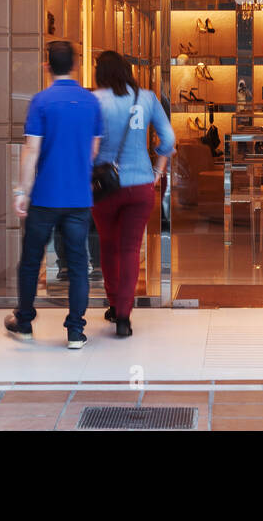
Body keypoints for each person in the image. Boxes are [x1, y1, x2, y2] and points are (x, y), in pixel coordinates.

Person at [6, 41, 102, 349]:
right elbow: (94, 149)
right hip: (78, 198)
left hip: (45, 197)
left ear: (46, 66)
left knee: (31, 261)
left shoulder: (41, 101)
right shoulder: (90, 102)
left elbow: (31, 149)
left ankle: (24, 323)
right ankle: (75, 331)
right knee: (78, 264)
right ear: (75, 65)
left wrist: (22, 191)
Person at [92, 50, 176, 337]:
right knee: (130, 249)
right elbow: (169, 139)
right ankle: (124, 317)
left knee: (107, 245)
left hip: (104, 187)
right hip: (141, 184)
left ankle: (114, 304)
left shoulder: (95, 100)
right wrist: (158, 172)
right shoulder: (147, 98)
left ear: (100, 72)